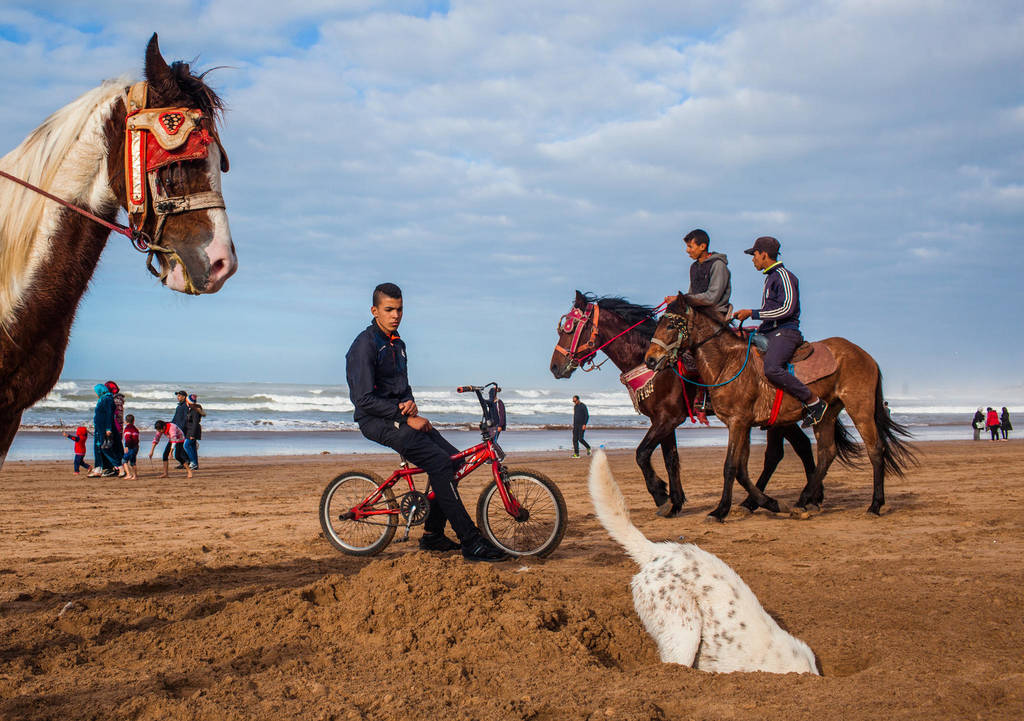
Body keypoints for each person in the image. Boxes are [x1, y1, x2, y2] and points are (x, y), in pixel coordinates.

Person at [346, 282, 508, 562]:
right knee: (439, 464)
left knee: (454, 461)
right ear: (375, 311)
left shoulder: (399, 344)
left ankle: (433, 535)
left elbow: (403, 387)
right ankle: (470, 541)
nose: (395, 315)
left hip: (398, 416)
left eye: (399, 309)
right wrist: (402, 415)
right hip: (375, 421)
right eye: (389, 310)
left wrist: (411, 406)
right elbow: (363, 400)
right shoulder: (365, 346)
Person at [733, 236, 828, 427]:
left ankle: (813, 402)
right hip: (770, 332)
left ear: (764, 255)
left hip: (785, 332)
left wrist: (752, 313)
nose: (753, 259)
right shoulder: (770, 278)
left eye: (754, 255)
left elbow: (787, 309)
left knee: (772, 368)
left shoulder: (784, 276)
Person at [663, 228, 732, 316]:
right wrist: (678, 301)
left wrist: (681, 298)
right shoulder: (694, 267)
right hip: (697, 313)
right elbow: (692, 294)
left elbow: (712, 298)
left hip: (716, 315)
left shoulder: (718, 265)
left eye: (690, 246)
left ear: (702, 246)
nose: (687, 250)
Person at [90, 383, 122, 477]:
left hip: (105, 428)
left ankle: (119, 467)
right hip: (99, 428)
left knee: (106, 449)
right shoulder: (102, 399)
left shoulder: (107, 399)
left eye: (96, 392)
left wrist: (108, 428)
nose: (95, 394)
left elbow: (109, 414)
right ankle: (98, 468)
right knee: (98, 448)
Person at [162, 390, 191, 470]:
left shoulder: (185, 406)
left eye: (179, 396)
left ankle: (186, 461)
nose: (178, 397)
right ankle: (185, 462)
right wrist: (168, 424)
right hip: (176, 429)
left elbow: (185, 419)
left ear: (184, 397)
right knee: (179, 448)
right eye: (177, 396)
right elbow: (175, 418)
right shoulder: (179, 406)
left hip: (180, 430)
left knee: (179, 448)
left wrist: (180, 429)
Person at [183, 394, 205, 470]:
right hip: (190, 431)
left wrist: (192, 434)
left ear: (188, 402)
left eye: (186, 400)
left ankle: (193, 462)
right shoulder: (192, 409)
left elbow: (195, 423)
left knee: (186, 445)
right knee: (192, 447)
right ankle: (195, 464)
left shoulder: (195, 410)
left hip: (193, 431)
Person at [122, 414, 140, 480]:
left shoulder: (127, 429)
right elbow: (137, 439)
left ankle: (129, 474)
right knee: (133, 462)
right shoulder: (135, 429)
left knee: (124, 460)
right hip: (135, 447)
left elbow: (128, 438)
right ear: (133, 421)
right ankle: (135, 476)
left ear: (126, 421)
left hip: (130, 447)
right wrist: (137, 446)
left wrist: (126, 446)